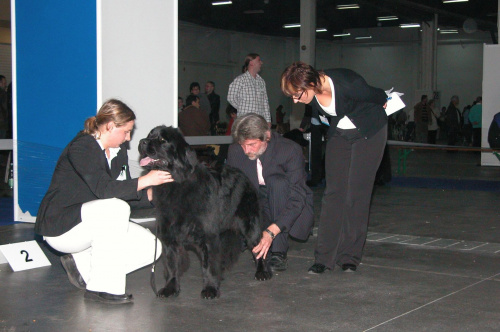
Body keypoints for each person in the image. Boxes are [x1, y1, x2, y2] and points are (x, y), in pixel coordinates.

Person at [34, 99, 174, 304]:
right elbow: (105, 190)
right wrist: (144, 180)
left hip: (91, 221)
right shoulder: (82, 147)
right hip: (61, 225)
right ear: (110, 126)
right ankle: (103, 287)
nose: (128, 139)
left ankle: (85, 272)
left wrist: (153, 194)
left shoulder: (119, 154)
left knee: (150, 246)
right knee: (115, 208)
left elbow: (122, 193)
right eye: (126, 132)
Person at [281, 62, 388, 274]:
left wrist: (384, 102)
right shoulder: (311, 95)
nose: (295, 100)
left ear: (310, 84)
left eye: (297, 94)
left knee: (357, 194)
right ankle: (324, 257)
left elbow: (379, 96)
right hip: (340, 133)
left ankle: (349, 256)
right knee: (333, 194)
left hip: (370, 131)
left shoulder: (348, 82)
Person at [226, 113, 314, 272]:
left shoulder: (289, 149)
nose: (246, 150)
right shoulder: (235, 151)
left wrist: (271, 231)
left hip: (285, 201)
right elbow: (234, 192)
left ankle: (279, 252)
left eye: (252, 144)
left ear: (266, 137)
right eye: (242, 144)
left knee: (277, 182)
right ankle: (248, 237)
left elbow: (297, 197)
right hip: (256, 201)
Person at [227, 53, 271, 125]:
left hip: (259, 122)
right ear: (251, 63)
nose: (261, 62)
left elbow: (265, 102)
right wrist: (243, 108)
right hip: (245, 121)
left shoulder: (261, 81)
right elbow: (231, 97)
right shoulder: (240, 80)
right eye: (259, 60)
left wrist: (268, 120)